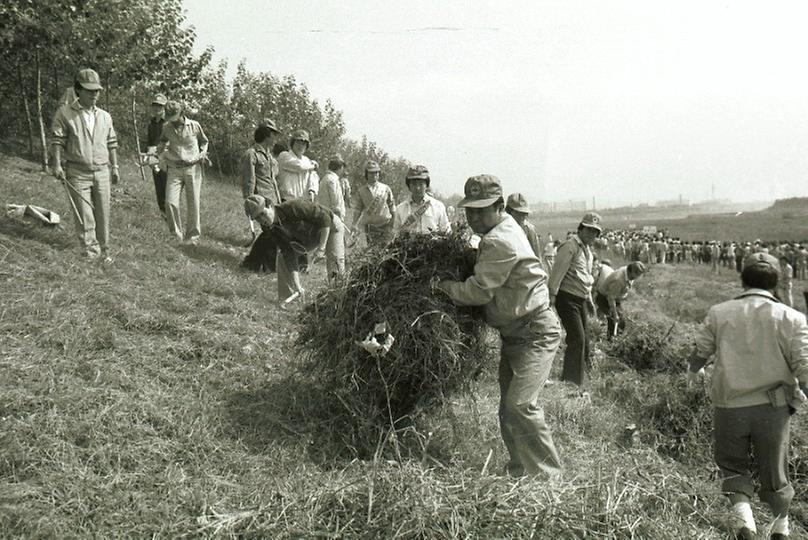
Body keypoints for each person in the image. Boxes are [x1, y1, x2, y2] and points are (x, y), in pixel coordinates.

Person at [437, 174, 563, 478]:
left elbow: (477, 291)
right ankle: (520, 471)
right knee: (508, 408)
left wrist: (442, 286)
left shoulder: (499, 239)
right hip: (515, 334)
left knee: (521, 404)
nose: (474, 217)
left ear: (500, 205)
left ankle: (548, 480)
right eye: (470, 210)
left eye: (482, 210)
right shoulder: (502, 229)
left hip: (534, 332)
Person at [687, 253, 808, 540]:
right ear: (777, 282)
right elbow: (804, 367)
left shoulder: (720, 312)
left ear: (742, 279)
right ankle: (781, 528)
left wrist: (693, 372)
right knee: (775, 469)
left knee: (731, 464)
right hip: (774, 408)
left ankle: (745, 524)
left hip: (730, 406)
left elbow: (699, 353)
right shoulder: (792, 317)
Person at [51, 68, 120, 263]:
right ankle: (91, 253)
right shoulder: (64, 113)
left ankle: (105, 251)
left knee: (103, 213)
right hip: (77, 172)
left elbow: (111, 142)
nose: (94, 95)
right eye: (89, 91)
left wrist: (115, 167)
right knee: (84, 214)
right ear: (78, 90)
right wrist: (57, 165)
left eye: (97, 91)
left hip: (102, 171)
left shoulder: (105, 116)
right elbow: (57, 140)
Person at [244, 194, 344, 304]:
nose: (262, 220)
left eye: (263, 214)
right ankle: (290, 296)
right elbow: (289, 252)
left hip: (330, 227)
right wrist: (297, 285)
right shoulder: (269, 228)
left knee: (335, 262)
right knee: (283, 257)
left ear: (270, 205)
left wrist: (321, 248)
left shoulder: (293, 207)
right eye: (258, 218)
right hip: (307, 236)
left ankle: (338, 298)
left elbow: (325, 219)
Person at [548, 212, 602, 388]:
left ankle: (578, 378)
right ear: (581, 228)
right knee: (577, 339)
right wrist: (552, 297)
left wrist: (589, 300)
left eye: (595, 232)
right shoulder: (570, 246)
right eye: (588, 230)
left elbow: (585, 278)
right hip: (566, 298)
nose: (591, 234)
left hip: (580, 299)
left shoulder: (587, 252)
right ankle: (571, 383)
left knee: (584, 339)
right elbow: (557, 272)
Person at [158, 100, 209, 245]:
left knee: (193, 202)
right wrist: (161, 149)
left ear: (181, 113)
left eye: (174, 117)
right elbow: (162, 141)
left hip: (192, 168)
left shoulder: (194, 126)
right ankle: (176, 234)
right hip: (174, 167)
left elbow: (204, 142)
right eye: (169, 118)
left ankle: (192, 237)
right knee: (170, 202)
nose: (172, 121)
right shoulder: (166, 127)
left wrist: (201, 154)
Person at [349, 160, 396, 247]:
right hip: (371, 227)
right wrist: (354, 223)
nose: (374, 175)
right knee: (373, 251)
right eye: (371, 173)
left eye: (376, 173)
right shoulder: (361, 191)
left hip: (385, 224)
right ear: (367, 174)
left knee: (386, 250)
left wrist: (393, 224)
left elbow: (392, 206)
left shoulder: (385, 188)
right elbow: (358, 209)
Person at [393, 165, 450, 235]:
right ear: (409, 186)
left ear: (426, 185)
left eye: (421, 184)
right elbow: (396, 234)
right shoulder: (400, 209)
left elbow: (447, 232)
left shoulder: (438, 206)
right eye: (414, 184)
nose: (417, 188)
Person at [316, 155, 348, 279]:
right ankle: (338, 282)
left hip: (326, 219)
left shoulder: (324, 178)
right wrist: (340, 220)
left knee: (332, 253)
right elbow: (336, 204)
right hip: (334, 219)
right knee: (337, 255)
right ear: (340, 167)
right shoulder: (333, 180)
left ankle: (333, 280)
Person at [595, 261, 646, 340]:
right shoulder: (618, 279)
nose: (638, 278)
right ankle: (610, 341)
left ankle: (617, 339)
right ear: (632, 272)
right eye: (638, 275)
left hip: (615, 298)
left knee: (621, 321)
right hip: (604, 298)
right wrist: (615, 314)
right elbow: (610, 297)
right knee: (613, 319)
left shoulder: (628, 273)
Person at [241, 119, 282, 204]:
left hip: (273, 202)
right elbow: (249, 181)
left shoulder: (271, 158)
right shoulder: (252, 154)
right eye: (274, 134)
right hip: (260, 202)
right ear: (266, 134)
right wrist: (251, 203)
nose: (276, 138)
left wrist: (279, 202)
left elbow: (274, 182)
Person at [143, 93, 168, 217]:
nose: (157, 108)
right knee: (158, 186)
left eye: (160, 106)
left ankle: (171, 217)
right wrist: (148, 156)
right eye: (155, 105)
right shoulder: (151, 123)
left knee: (167, 187)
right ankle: (163, 214)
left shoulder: (169, 123)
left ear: (164, 107)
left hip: (166, 157)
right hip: (154, 156)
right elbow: (149, 141)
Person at [277, 130, 318, 202]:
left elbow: (313, 177)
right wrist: (313, 166)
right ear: (292, 143)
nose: (300, 146)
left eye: (304, 144)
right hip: (287, 200)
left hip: (303, 201)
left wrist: (312, 190)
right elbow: (299, 167)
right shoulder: (284, 155)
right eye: (298, 142)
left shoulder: (307, 160)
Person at [505, 193, 542, 263]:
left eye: (525, 213)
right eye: (520, 213)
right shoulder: (501, 228)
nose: (524, 216)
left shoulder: (528, 229)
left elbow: (536, 255)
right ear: (510, 211)